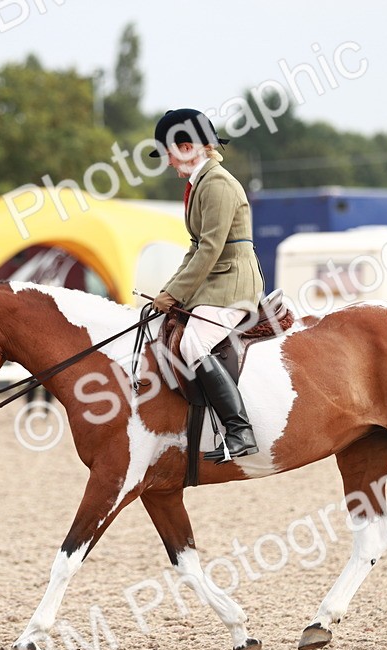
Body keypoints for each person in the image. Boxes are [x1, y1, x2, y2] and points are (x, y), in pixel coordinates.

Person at [150, 108, 265, 462]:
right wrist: (166, 292)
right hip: (216, 279)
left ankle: (238, 430)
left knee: (195, 342)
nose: (168, 162)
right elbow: (196, 247)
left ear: (186, 147)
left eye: (168, 152)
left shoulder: (216, 184)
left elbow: (212, 247)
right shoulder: (199, 183)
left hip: (232, 281)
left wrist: (176, 294)